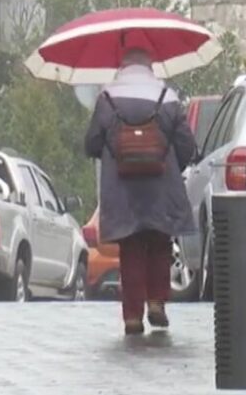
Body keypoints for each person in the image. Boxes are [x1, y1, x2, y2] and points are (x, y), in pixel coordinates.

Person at [84, 30, 197, 335]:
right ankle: (157, 302)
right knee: (160, 242)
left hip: (122, 188)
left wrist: (112, 151)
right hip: (162, 185)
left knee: (131, 249)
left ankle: (132, 315)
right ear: (149, 66)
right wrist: (173, 165)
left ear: (123, 65)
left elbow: (92, 143)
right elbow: (187, 145)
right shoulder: (167, 97)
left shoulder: (107, 98)